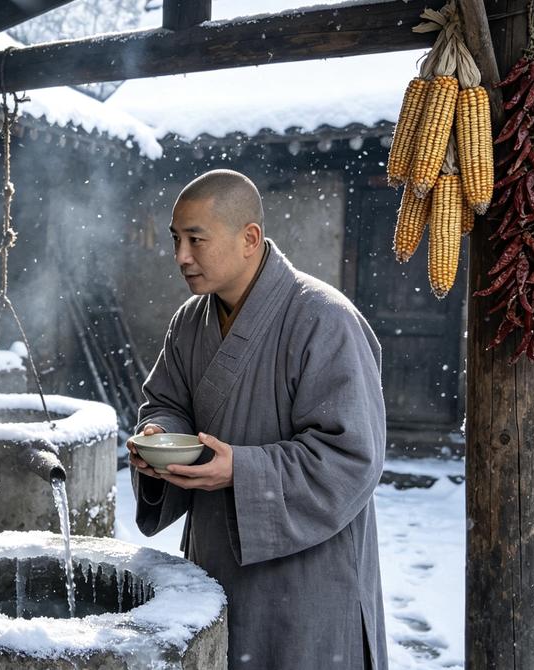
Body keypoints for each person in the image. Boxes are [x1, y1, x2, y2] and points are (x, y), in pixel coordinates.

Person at [128, 169, 388, 669]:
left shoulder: (324, 319)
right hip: (216, 560)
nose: (182, 256)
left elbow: (352, 456)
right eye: (176, 240)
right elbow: (166, 401)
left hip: (306, 573)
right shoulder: (189, 321)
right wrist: (159, 433)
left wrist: (241, 471)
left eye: (196, 240)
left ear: (249, 238)